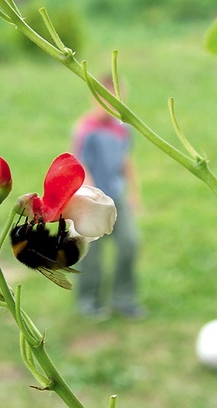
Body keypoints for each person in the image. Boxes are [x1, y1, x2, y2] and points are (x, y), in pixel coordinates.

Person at [72, 76, 144, 319]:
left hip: (117, 197)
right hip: (92, 202)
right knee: (91, 254)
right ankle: (89, 301)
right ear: (96, 98)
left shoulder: (123, 128)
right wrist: (94, 199)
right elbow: (80, 165)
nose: (114, 104)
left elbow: (126, 161)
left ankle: (124, 299)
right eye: (108, 98)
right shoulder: (86, 129)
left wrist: (134, 193)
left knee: (129, 244)